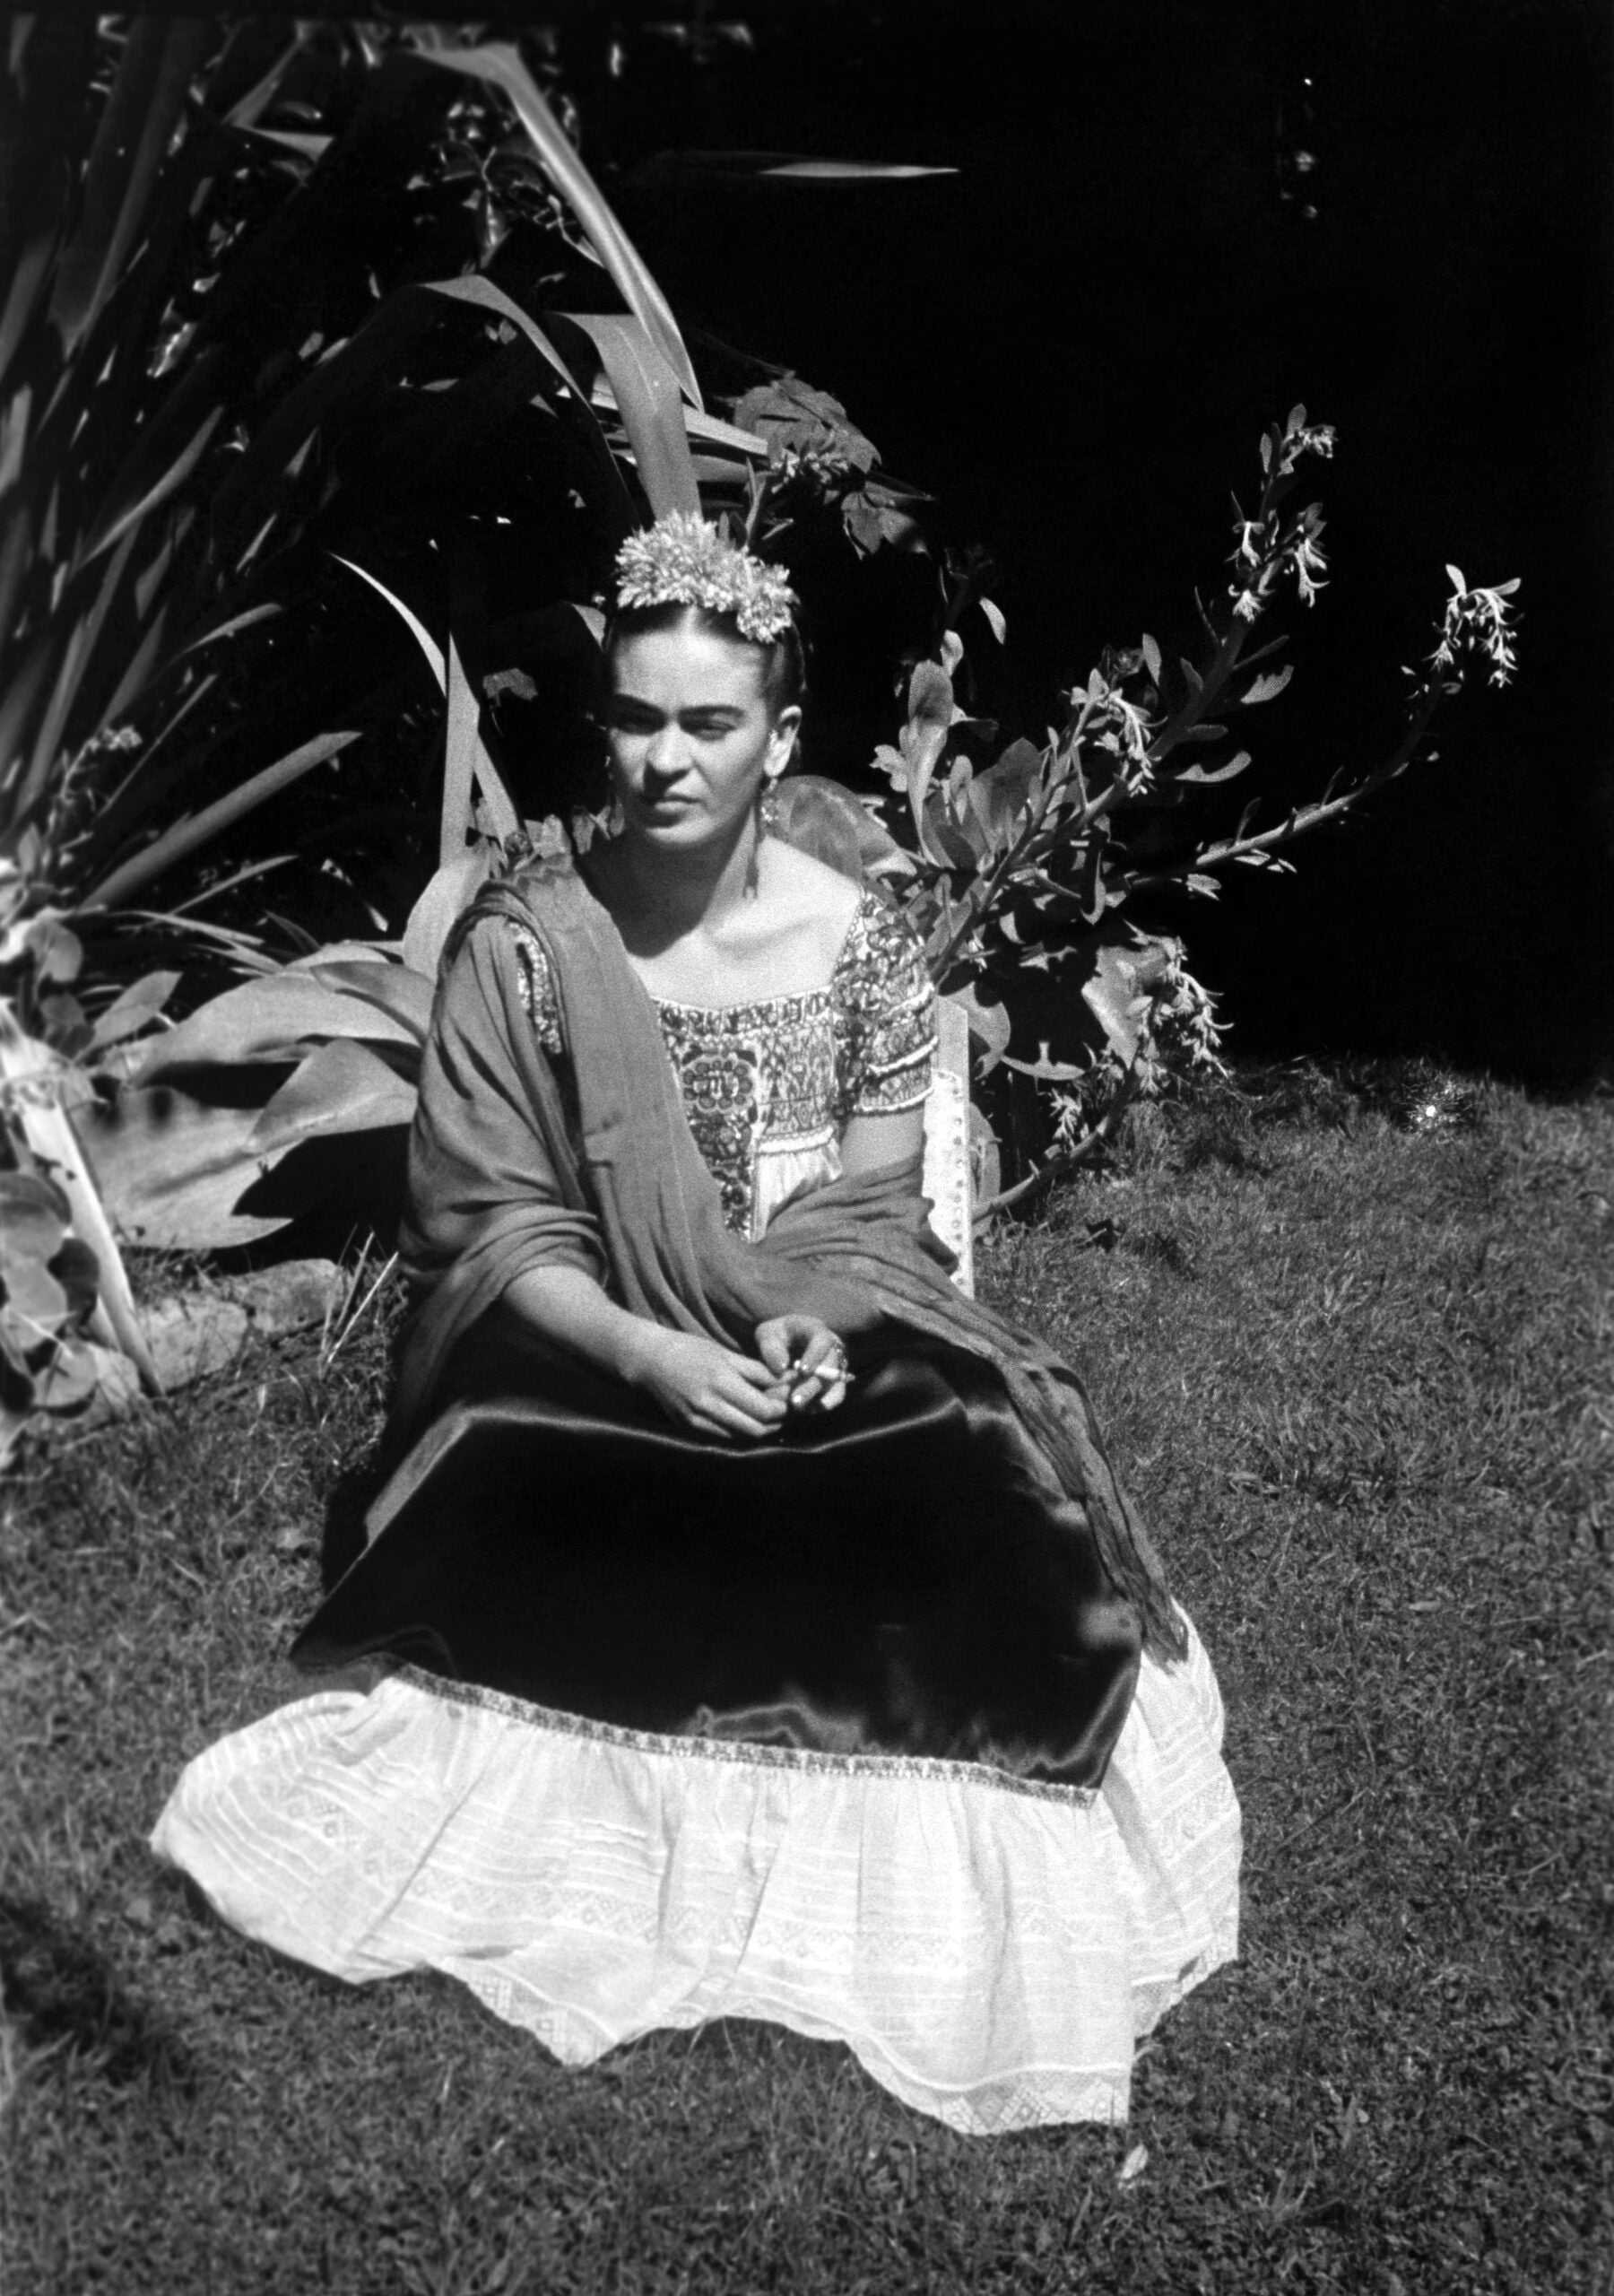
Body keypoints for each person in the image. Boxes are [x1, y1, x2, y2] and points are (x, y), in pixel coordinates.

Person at [152, 513, 1239, 2135]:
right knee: (572, 1473)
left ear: (778, 738)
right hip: (579, 1340)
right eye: (637, 717)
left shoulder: (861, 941)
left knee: (955, 1458)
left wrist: (804, 1337)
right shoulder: (528, 945)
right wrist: (655, 1354)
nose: (665, 758)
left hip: (811, 1326)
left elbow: (876, 1216)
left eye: (709, 725)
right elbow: (491, 1228)